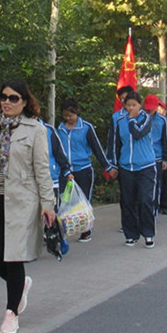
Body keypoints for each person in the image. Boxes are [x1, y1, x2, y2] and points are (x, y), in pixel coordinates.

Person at [0, 79, 57, 333]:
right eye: (3, 97)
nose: (7, 101)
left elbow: (42, 169)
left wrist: (48, 204)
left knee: (13, 257)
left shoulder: (35, 130)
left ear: (24, 102)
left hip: (22, 202)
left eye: (14, 98)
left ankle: (11, 313)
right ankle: (21, 285)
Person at [107, 90, 159, 247]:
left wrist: (131, 119)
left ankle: (148, 233)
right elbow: (114, 143)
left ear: (140, 105)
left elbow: (137, 133)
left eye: (134, 105)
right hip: (126, 166)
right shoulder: (118, 119)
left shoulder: (146, 118)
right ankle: (131, 234)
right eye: (128, 105)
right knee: (127, 201)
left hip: (145, 166)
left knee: (145, 200)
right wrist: (113, 164)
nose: (131, 108)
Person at [56, 98, 112, 241]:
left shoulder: (86, 127)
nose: (68, 118)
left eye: (71, 115)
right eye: (66, 115)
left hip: (83, 170)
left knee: (84, 200)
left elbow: (97, 148)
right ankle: (67, 227)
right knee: (65, 200)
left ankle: (86, 229)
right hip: (66, 172)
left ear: (77, 112)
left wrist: (107, 166)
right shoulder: (60, 129)